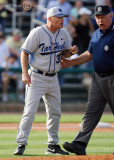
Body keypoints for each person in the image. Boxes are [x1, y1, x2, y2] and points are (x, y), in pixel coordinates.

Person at [14, 6, 78, 156]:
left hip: (53, 77)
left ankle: (52, 145)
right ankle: (21, 143)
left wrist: (70, 52)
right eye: (59, 17)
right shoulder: (37, 32)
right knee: (29, 112)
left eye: (63, 17)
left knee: (55, 112)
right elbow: (24, 52)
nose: (63, 20)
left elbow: (64, 54)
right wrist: (25, 73)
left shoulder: (63, 33)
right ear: (49, 19)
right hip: (36, 76)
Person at [61, 5, 114, 155]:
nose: (100, 20)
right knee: (90, 112)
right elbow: (89, 54)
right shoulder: (96, 33)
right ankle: (79, 143)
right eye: (97, 17)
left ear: (110, 16)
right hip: (97, 78)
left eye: (103, 16)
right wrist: (70, 62)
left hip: (113, 77)